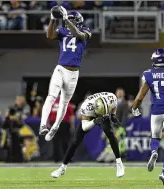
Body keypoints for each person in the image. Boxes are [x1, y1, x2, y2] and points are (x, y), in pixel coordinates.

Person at [131, 48, 164, 186]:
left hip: (156, 112)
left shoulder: (148, 74)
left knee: (154, 137)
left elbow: (140, 97)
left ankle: (154, 151)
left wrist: (134, 108)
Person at [39, 6, 91, 141]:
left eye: (73, 20)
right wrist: (52, 19)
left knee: (64, 103)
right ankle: (43, 124)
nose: (69, 22)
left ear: (78, 21)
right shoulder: (62, 31)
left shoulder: (85, 31)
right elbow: (49, 35)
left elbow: (79, 35)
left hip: (73, 73)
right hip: (60, 69)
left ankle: (55, 126)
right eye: (69, 20)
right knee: (51, 96)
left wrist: (67, 19)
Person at [51, 92, 125, 178]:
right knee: (75, 141)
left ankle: (119, 163)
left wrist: (112, 115)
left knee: (110, 133)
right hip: (90, 116)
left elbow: (114, 107)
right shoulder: (86, 106)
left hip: (104, 113)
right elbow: (84, 127)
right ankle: (62, 167)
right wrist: (95, 121)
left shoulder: (112, 98)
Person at [49, 97, 75, 162]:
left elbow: (48, 113)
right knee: (65, 141)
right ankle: (67, 158)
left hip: (54, 123)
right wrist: (72, 126)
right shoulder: (67, 103)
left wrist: (48, 123)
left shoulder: (53, 103)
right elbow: (71, 115)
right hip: (63, 123)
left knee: (56, 142)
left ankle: (56, 158)